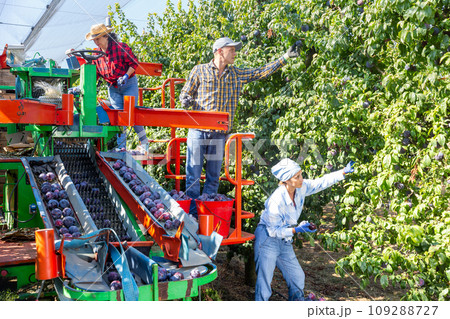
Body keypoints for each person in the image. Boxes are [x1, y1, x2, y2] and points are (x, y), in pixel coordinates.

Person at [180, 37, 302, 216]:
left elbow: (260, 72)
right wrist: (186, 100)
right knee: (193, 178)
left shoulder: (235, 74)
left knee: (213, 178)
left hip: (219, 134)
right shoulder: (199, 71)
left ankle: (206, 217)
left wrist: (284, 57)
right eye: (232, 50)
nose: (235, 53)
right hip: (198, 131)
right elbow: (185, 94)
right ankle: (191, 217)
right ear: (220, 51)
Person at [254, 158, 355, 301]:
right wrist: (297, 230)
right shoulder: (275, 202)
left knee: (297, 277)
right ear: (286, 180)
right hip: (268, 238)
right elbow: (273, 231)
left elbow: (320, 182)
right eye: (297, 177)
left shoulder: (300, 187)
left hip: (284, 238)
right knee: (264, 283)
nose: (302, 179)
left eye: (301, 174)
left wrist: (342, 172)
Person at [85, 23, 149, 153]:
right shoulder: (96, 55)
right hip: (113, 87)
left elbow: (134, 62)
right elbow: (95, 75)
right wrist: (86, 88)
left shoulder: (120, 47)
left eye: (98, 39)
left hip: (128, 84)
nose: (96, 42)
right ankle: (121, 148)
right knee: (119, 118)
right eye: (94, 40)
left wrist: (126, 75)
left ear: (106, 36)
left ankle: (144, 142)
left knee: (131, 113)